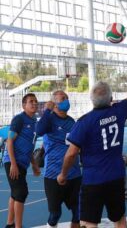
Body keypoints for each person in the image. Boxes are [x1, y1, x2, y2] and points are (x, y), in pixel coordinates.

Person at [57, 72, 127, 228]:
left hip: (93, 180)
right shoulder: (118, 111)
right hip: (116, 177)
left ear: (91, 99)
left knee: (88, 223)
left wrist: (63, 174)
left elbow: (71, 154)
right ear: (111, 99)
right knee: (120, 219)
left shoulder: (84, 122)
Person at [35, 90, 81, 228]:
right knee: (55, 214)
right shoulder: (49, 119)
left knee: (78, 212)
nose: (66, 100)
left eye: (66, 97)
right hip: (53, 174)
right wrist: (46, 111)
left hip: (74, 174)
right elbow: (39, 131)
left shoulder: (72, 122)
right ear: (54, 103)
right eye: (62, 98)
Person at [3, 93, 41, 228]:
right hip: (12, 161)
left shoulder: (35, 123)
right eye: (31, 101)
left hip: (23, 164)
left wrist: (35, 165)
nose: (34, 103)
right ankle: (18, 226)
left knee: (15, 194)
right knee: (21, 192)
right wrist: (13, 164)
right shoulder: (19, 119)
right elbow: (9, 141)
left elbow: (29, 146)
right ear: (24, 105)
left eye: (36, 101)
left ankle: (9, 224)